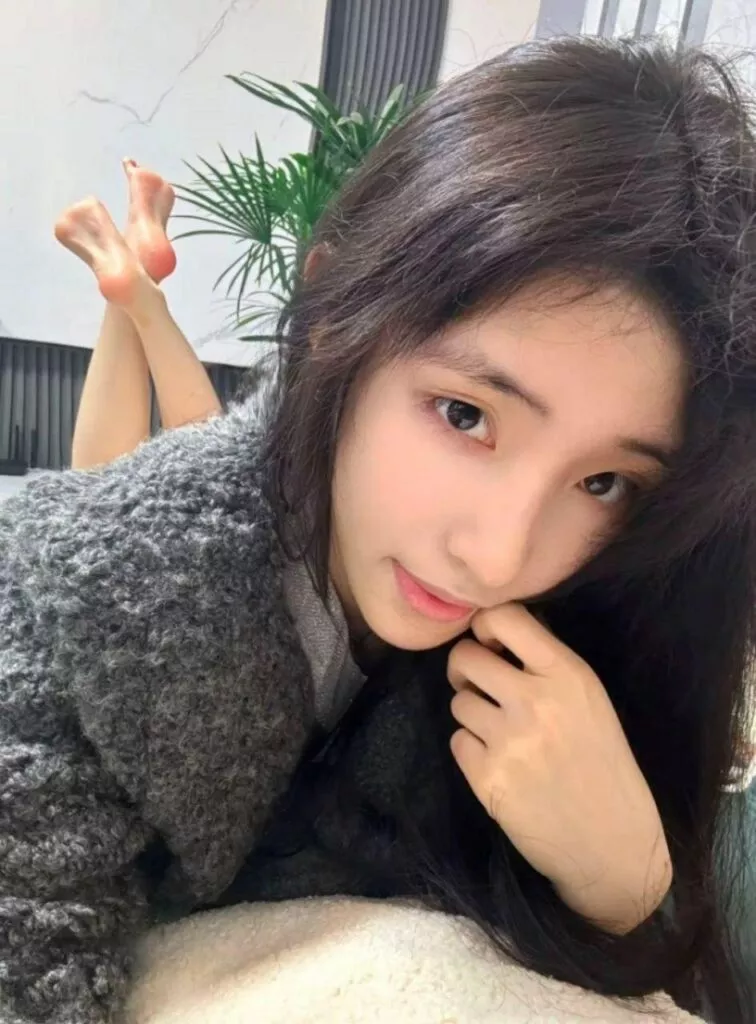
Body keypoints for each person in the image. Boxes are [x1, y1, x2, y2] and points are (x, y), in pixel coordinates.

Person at [1, 36, 755, 1024]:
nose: (499, 555)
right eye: (465, 415)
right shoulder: (68, 618)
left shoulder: (602, 621)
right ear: (329, 318)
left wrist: (624, 879)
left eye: (603, 481)